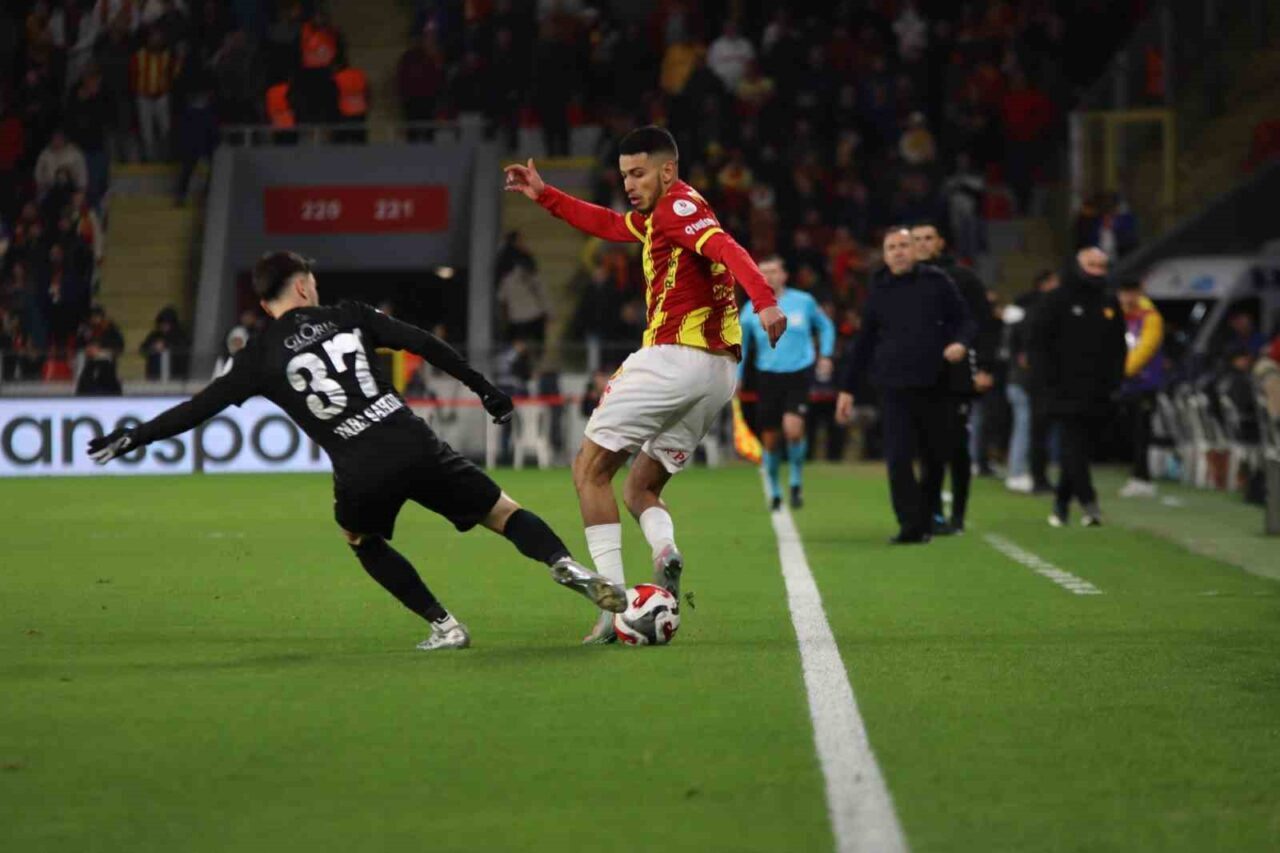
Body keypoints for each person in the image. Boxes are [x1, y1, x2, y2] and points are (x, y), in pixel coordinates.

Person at [87, 252, 625, 651]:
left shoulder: (259, 356)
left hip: (360, 467)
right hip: (412, 438)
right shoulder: (348, 314)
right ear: (302, 286)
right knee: (501, 512)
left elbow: (199, 408)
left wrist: (135, 435)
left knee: (360, 536)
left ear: (267, 302)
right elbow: (423, 342)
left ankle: (445, 626)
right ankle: (562, 562)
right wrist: (484, 388)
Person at [504, 126, 786, 643]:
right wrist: (546, 196)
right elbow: (610, 224)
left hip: (673, 357)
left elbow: (727, 247)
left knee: (590, 471)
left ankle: (611, 605)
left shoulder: (677, 208)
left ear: (668, 170)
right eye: (624, 176)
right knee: (641, 487)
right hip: (718, 374)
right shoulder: (670, 212)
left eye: (638, 174)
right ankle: (664, 550)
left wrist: (764, 301)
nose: (630, 185)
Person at [836, 228, 973, 544]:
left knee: (933, 457)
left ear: (914, 251)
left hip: (935, 383)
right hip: (893, 386)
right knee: (898, 457)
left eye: (903, 245)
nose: (898, 251)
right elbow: (864, 343)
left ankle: (925, 519)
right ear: (885, 255)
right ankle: (910, 525)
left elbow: (965, 320)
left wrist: (960, 343)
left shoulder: (937, 282)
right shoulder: (878, 290)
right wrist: (847, 389)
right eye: (891, 247)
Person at [1028, 247, 1127, 527]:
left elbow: (1118, 346)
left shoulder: (1109, 301)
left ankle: (1061, 504)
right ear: (1077, 266)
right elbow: (1038, 344)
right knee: (1073, 443)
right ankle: (1089, 501)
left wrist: (1115, 381)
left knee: (1080, 448)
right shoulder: (1056, 299)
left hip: (1098, 390)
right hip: (1062, 389)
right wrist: (1045, 383)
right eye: (1091, 264)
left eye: (1101, 265)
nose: (1097, 271)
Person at [910, 221, 995, 534]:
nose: (922, 243)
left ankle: (958, 514)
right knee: (925, 446)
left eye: (928, 238)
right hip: (918, 375)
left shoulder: (963, 278)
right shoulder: (903, 279)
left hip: (957, 374)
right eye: (916, 239)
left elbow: (984, 323)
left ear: (940, 242)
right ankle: (932, 512)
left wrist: (985, 366)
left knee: (956, 444)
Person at [740, 255, 835, 511]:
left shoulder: (804, 302)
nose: (769, 276)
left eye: (773, 271)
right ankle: (774, 489)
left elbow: (826, 327)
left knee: (793, 430)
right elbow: (741, 345)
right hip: (767, 375)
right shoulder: (750, 308)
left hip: (798, 373)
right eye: (763, 272)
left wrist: (825, 355)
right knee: (770, 440)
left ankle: (795, 481)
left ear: (784, 275)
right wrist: (736, 376)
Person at [1005, 269, 1059, 493]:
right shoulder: (1033, 315)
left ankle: (1021, 471)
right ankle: (1017, 472)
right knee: (1025, 427)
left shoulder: (1022, 314)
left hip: (1020, 380)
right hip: (1023, 381)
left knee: (1026, 427)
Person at [1115, 279, 1165, 498]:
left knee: (1141, 431)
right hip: (1126, 383)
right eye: (1123, 293)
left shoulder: (1150, 317)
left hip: (1145, 382)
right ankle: (1137, 475)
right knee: (1130, 431)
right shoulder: (1119, 315)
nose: (1126, 298)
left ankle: (1142, 478)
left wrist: (1122, 371)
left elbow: (1146, 348)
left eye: (1130, 293)